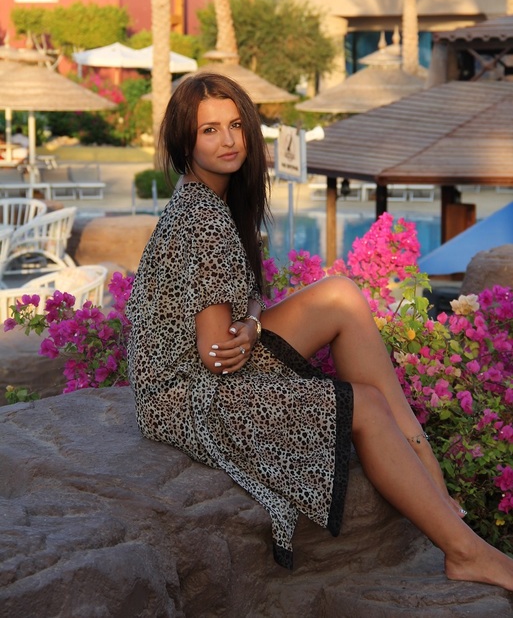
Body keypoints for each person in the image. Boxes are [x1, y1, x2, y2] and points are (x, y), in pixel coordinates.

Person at [126, 71, 513, 589]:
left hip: (197, 373)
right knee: (364, 406)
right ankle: (464, 551)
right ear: (184, 142)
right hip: (187, 395)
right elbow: (216, 354)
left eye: (235, 125)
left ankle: (424, 464)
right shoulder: (204, 219)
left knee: (341, 295)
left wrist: (253, 324)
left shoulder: (209, 200)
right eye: (209, 130)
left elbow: (241, 307)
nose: (228, 140)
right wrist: (247, 332)